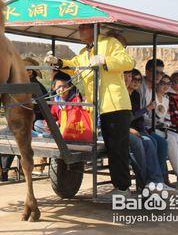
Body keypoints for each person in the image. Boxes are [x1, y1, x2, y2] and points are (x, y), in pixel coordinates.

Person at [45, 24, 134, 201]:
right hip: (96, 107)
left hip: (114, 104)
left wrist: (105, 60)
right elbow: (74, 65)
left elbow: (128, 62)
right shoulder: (84, 52)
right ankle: (119, 186)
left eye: (83, 27)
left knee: (118, 148)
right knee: (111, 147)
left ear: (94, 29)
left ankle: (123, 188)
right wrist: (58, 62)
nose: (79, 30)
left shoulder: (110, 43)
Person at [0, 57, 48, 182]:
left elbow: (38, 111)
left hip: (33, 123)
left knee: (7, 135)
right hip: (27, 122)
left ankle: (2, 172)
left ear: (30, 72)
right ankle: (3, 171)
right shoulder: (27, 85)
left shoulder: (33, 86)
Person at [124, 70, 175, 191]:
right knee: (147, 143)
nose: (136, 82)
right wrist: (147, 108)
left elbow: (137, 118)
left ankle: (159, 179)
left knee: (158, 142)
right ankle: (149, 181)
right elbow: (130, 116)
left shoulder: (136, 95)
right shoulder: (123, 95)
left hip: (137, 128)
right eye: (133, 79)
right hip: (125, 129)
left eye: (138, 80)